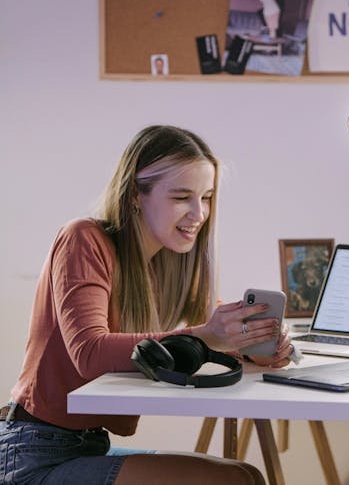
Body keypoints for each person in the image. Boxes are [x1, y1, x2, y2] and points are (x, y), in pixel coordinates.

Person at [0, 125, 295, 484]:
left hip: (88, 445)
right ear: (136, 195)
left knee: (245, 474)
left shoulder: (167, 263)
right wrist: (208, 336)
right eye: (182, 197)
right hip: (33, 454)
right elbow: (90, 351)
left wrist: (256, 345)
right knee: (231, 481)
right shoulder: (84, 239)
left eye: (206, 197)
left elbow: (211, 333)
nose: (199, 213)